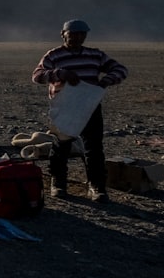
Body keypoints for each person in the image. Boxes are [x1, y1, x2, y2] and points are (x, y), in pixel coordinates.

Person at [32, 19, 127, 202]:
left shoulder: (95, 55)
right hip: (65, 106)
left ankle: (96, 186)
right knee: (62, 146)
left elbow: (120, 69)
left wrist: (108, 80)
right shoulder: (54, 55)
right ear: (63, 35)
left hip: (89, 106)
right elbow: (37, 76)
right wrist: (60, 74)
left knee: (94, 148)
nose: (76, 38)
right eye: (72, 34)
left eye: (81, 35)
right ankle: (58, 183)